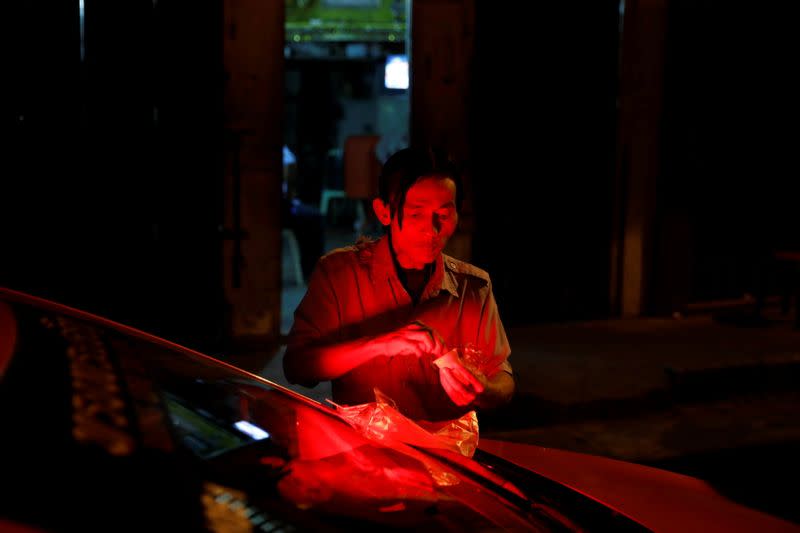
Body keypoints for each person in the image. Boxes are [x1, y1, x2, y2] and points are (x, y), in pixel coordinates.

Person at [283, 146, 514, 422]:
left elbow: (504, 377)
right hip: (364, 451)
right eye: (417, 214)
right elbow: (298, 366)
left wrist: (484, 390)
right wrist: (381, 345)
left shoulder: (472, 288)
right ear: (384, 212)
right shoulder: (340, 274)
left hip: (443, 454)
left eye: (443, 214)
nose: (432, 229)